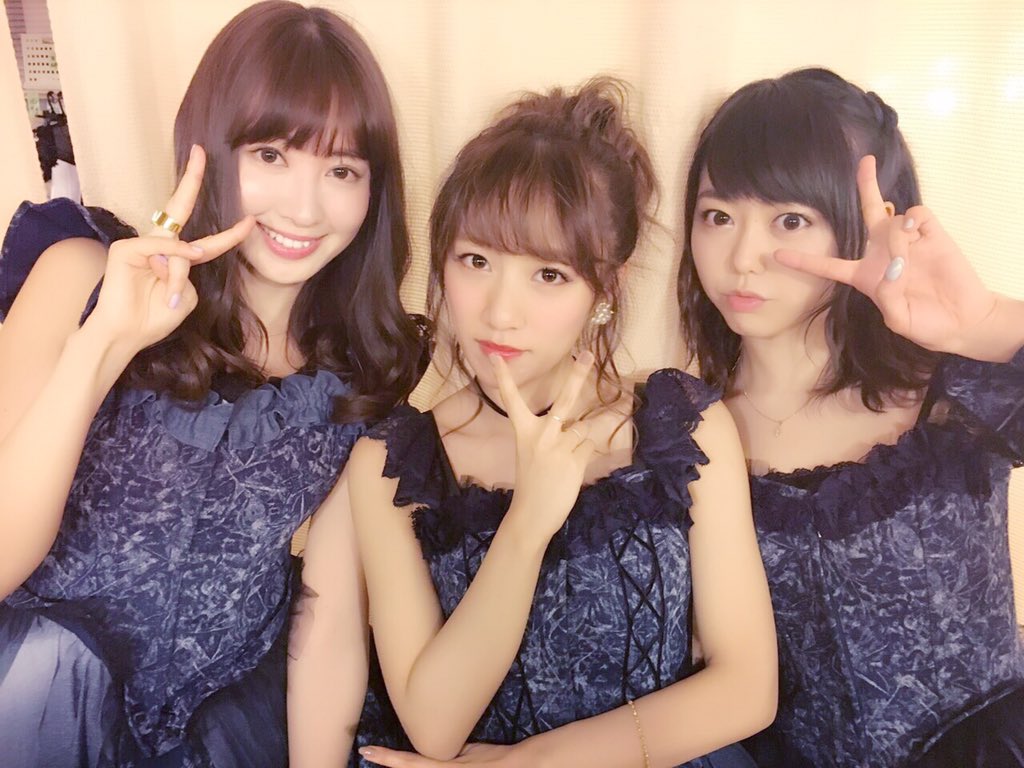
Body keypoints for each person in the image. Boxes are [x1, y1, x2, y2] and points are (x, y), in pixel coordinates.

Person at [295, 77, 777, 768]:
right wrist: (527, 524)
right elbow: (433, 726)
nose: (499, 312)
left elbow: (747, 690)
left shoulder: (682, 427)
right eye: (476, 261)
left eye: (548, 274)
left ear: (605, 289)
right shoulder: (397, 463)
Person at [0, 2, 423, 766]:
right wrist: (105, 343)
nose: (304, 206)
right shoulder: (78, 275)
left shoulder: (363, 375)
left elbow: (328, 616)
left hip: (213, 728)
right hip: (31, 704)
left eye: (341, 170)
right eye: (271, 154)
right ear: (208, 148)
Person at [677, 66, 1024, 767]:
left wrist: (982, 321)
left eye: (790, 220)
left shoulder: (946, 392)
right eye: (718, 216)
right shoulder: (681, 434)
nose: (742, 258)